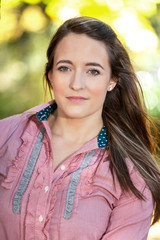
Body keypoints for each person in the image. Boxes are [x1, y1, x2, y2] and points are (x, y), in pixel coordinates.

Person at [0, 16, 160, 240]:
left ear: (112, 79)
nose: (76, 84)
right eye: (65, 68)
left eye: (93, 71)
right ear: (50, 75)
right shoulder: (5, 135)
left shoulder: (132, 176)